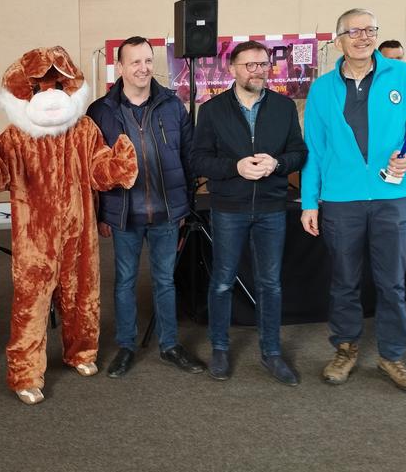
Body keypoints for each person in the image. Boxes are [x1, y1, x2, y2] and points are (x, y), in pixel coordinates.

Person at [301, 8, 406, 391]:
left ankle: (392, 356)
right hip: (341, 200)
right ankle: (345, 349)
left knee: (392, 283)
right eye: (354, 31)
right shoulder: (322, 89)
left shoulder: (402, 75)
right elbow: (315, 150)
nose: (364, 37)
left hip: (393, 197)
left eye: (370, 30)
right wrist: (309, 201)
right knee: (344, 281)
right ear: (338, 40)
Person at [191, 41, 307, 385]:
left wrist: (278, 164)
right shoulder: (211, 110)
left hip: (271, 208)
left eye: (263, 64)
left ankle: (271, 352)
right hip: (229, 209)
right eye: (250, 65)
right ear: (233, 68)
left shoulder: (284, 107)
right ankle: (220, 347)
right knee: (222, 281)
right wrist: (235, 167)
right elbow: (198, 160)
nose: (258, 71)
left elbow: (299, 152)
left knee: (270, 284)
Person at [87, 36, 204, 378]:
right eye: (135, 61)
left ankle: (170, 345)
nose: (143, 68)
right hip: (124, 215)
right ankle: (126, 346)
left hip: (167, 213)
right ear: (119, 67)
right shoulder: (100, 112)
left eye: (148, 61)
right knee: (124, 281)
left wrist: (185, 206)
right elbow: (93, 169)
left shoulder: (172, 105)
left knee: (165, 281)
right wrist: (100, 214)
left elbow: (188, 158)